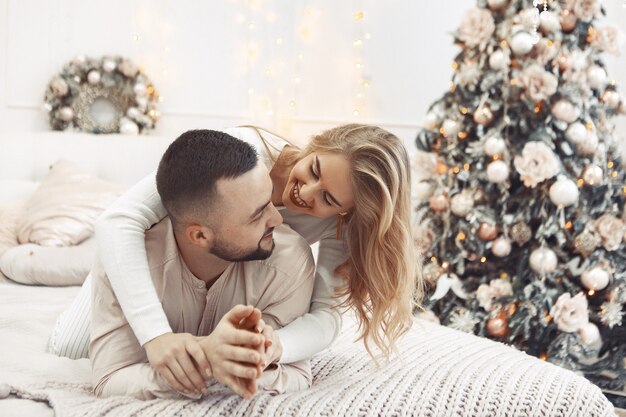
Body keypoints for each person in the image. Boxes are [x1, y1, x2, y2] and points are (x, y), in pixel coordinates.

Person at [51, 124, 423, 397]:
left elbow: (325, 316)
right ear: (315, 146)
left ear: (347, 211)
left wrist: (276, 345)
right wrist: (157, 337)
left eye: (328, 198)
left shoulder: (338, 228)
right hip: (152, 261)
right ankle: (33, 262)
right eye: (313, 171)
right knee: (68, 346)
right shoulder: (243, 154)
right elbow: (117, 222)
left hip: (228, 279)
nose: (304, 194)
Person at [91, 130, 315, 399]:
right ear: (199, 235)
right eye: (257, 215)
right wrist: (208, 355)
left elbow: (297, 374)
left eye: (269, 202)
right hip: (105, 282)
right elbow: (109, 379)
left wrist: (226, 361)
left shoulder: (289, 262)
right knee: (67, 344)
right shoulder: (126, 259)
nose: (277, 220)